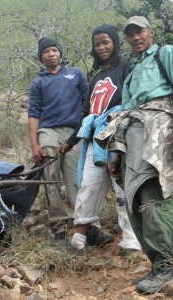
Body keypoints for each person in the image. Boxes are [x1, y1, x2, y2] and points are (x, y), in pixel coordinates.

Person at [95, 16, 173, 294]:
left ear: (151, 32)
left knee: (152, 194)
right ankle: (158, 264)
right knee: (133, 199)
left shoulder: (166, 52)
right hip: (131, 132)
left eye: (140, 31)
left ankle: (168, 266)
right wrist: (116, 154)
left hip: (157, 125)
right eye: (131, 33)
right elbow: (127, 112)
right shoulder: (133, 71)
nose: (135, 37)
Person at [57, 25, 141, 252]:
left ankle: (132, 240)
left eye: (106, 42)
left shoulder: (127, 69)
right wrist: (70, 141)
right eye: (97, 44)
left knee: (123, 186)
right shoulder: (95, 77)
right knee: (89, 186)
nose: (102, 47)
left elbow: (133, 102)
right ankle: (79, 239)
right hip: (95, 138)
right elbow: (86, 115)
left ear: (115, 42)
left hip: (119, 134)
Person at [28, 37, 88, 240]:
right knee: (50, 178)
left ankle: (85, 223)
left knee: (76, 178)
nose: (51, 54)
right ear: (41, 57)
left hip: (73, 133)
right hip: (48, 132)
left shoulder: (76, 74)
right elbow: (34, 113)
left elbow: (88, 103)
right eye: (46, 51)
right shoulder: (38, 82)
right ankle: (59, 224)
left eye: (54, 50)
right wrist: (34, 144)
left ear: (61, 53)